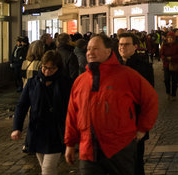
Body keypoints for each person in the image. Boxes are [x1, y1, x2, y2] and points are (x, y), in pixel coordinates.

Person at [64, 34, 159, 175]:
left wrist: (142, 129)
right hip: (89, 149)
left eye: (95, 48)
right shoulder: (81, 81)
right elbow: (72, 113)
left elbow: (150, 99)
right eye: (89, 49)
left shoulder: (126, 75)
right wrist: (70, 143)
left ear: (108, 51)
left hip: (119, 148)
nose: (90, 52)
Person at [11, 50, 72, 175]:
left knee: (47, 169)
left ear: (58, 68)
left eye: (52, 68)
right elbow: (21, 106)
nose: (47, 71)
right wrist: (17, 128)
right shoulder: (33, 82)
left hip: (56, 132)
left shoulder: (66, 83)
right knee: (44, 166)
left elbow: (73, 108)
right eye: (45, 68)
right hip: (37, 131)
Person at [118, 33, 154, 175]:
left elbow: (149, 99)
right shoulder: (113, 66)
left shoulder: (144, 67)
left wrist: (143, 127)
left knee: (137, 161)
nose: (122, 47)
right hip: (117, 123)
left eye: (126, 44)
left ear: (135, 47)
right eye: (120, 44)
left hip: (136, 123)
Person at [160, 32, 178, 100]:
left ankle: (173, 94)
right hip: (166, 65)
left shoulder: (177, 45)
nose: (169, 39)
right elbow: (161, 54)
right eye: (168, 38)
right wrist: (164, 58)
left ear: (173, 39)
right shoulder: (164, 45)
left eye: (171, 38)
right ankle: (168, 92)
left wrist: (172, 58)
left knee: (174, 80)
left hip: (174, 64)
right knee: (166, 79)